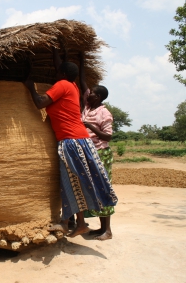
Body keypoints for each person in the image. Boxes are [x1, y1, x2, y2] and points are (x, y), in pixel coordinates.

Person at [23, 48, 118, 238]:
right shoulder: (72, 86)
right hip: (76, 140)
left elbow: (41, 102)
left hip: (72, 141)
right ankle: (78, 223)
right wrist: (56, 52)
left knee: (74, 182)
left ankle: (72, 223)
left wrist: (30, 87)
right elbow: (64, 69)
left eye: (58, 72)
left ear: (63, 75)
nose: (55, 74)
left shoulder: (62, 85)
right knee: (73, 181)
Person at [79, 52, 115, 240]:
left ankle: (107, 230)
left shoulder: (104, 113)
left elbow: (108, 136)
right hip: (88, 152)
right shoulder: (88, 106)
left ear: (99, 96)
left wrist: (90, 126)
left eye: (92, 92)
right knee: (91, 189)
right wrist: (82, 61)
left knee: (103, 189)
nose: (89, 93)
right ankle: (99, 228)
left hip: (101, 153)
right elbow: (83, 82)